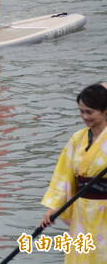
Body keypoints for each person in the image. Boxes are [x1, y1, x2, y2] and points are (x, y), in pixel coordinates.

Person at [40, 83, 107, 263]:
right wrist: (55, 207)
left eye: (90, 112)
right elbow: (64, 175)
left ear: (104, 111)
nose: (85, 117)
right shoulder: (78, 139)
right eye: (81, 111)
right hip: (82, 211)